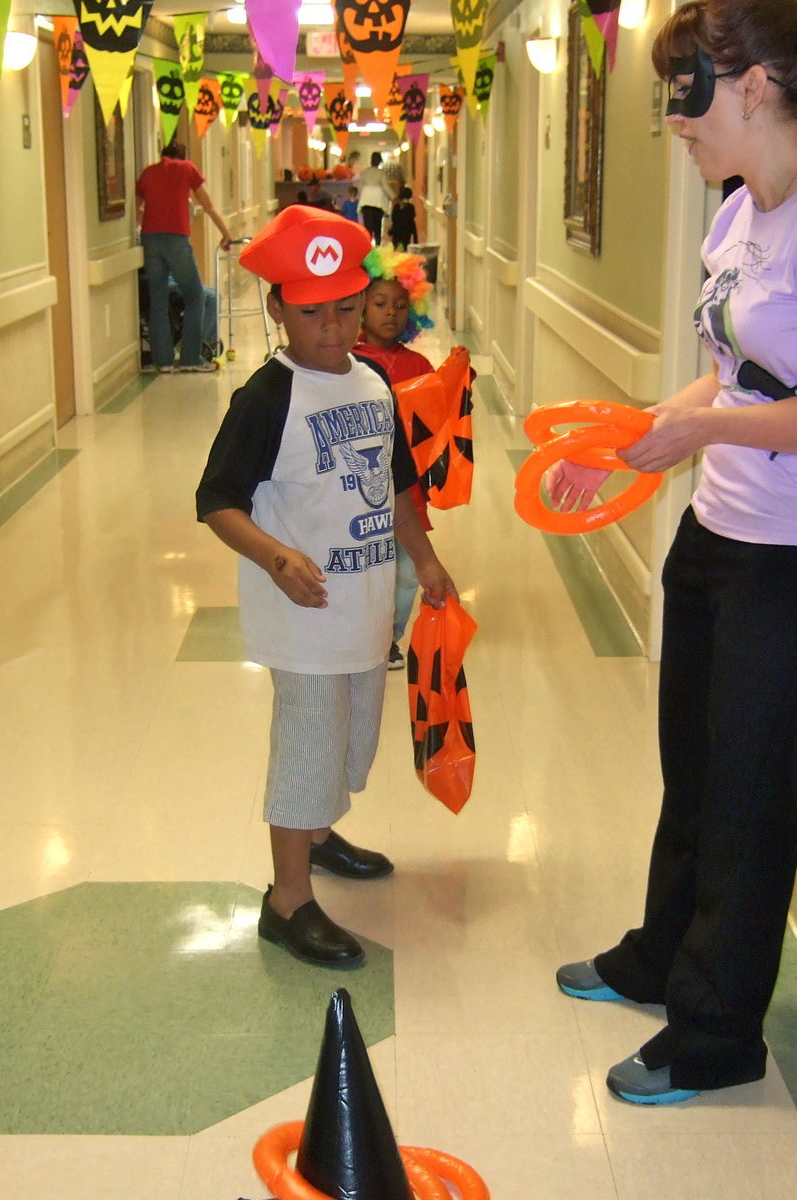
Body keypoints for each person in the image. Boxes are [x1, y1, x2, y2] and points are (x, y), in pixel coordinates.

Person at [552, 0, 797, 1106]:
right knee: (693, 770)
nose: (675, 124)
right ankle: (660, 957)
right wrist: (635, 447)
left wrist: (703, 431)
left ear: (758, 85)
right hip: (715, 535)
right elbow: (726, 377)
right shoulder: (735, 218)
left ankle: (719, 1031)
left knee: (749, 796)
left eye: (687, 96)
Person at [195, 206, 457, 969]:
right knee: (310, 745)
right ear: (278, 310)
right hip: (301, 614)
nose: (335, 329)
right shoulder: (267, 398)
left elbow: (399, 482)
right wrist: (276, 556)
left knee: (352, 738)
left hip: (366, 608)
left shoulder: (373, 382)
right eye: (314, 314)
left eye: (347, 309)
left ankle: (317, 830)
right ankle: (288, 900)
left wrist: (428, 562)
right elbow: (216, 501)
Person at [353, 245, 437, 669]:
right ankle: (362, 633)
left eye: (401, 305)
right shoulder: (348, 364)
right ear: (359, 307)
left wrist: (461, 383)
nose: (391, 313)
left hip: (409, 489)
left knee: (406, 573)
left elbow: (440, 415)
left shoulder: (419, 363)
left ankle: (388, 638)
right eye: (380, 303)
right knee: (368, 568)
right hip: (361, 488)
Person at [136, 140, 232, 373]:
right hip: (176, 239)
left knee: (157, 300)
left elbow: (137, 208)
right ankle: (190, 358)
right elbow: (207, 205)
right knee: (195, 295)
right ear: (183, 155)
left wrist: (146, 226)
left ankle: (163, 361)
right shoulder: (187, 169)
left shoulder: (149, 172)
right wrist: (226, 233)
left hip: (150, 240)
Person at [358, 152, 396, 245]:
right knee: (377, 225)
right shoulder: (381, 173)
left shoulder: (364, 172)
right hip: (378, 201)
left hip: (366, 200)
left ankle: (367, 244)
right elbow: (386, 187)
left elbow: (360, 188)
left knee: (367, 226)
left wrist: (361, 196)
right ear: (379, 161)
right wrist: (394, 197)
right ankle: (378, 244)